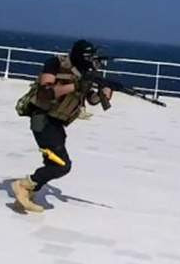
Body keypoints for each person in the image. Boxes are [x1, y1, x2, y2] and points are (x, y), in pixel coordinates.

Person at [10, 39, 112, 214]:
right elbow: (44, 92)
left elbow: (92, 99)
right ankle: (23, 185)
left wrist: (105, 92)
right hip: (43, 119)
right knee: (62, 165)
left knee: (52, 162)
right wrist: (76, 85)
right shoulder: (55, 63)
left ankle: (26, 195)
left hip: (56, 123)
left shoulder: (83, 73)